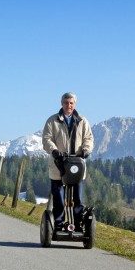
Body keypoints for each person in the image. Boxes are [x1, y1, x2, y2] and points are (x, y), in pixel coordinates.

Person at [42, 92, 94, 228]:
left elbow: (88, 138)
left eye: (71, 103)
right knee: (58, 198)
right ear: (62, 104)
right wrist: (54, 151)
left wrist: (85, 150)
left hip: (76, 165)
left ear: (75, 104)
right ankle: (58, 224)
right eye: (66, 103)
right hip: (58, 164)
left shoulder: (82, 121)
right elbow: (46, 138)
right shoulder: (52, 121)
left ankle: (77, 224)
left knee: (77, 198)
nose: (68, 105)